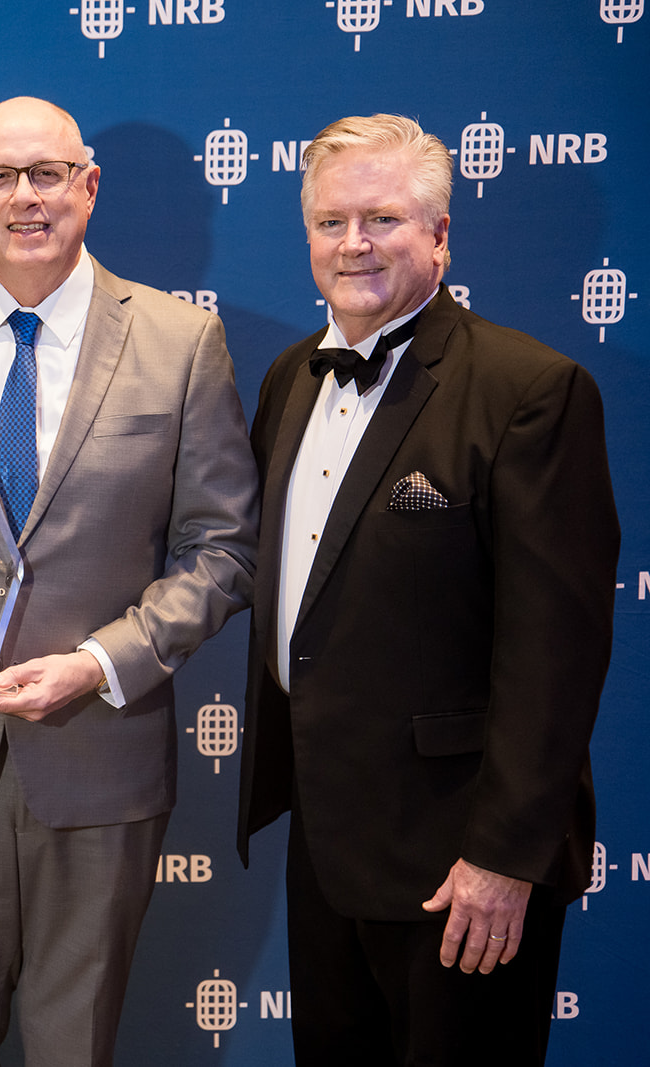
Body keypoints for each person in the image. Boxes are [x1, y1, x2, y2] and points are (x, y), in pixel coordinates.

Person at [0, 96, 258, 1066]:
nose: (24, 197)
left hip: (99, 761)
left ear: (87, 186)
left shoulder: (179, 343)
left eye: (46, 173)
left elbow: (224, 546)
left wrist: (96, 661)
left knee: (72, 1049)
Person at [236, 114, 619, 1065]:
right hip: (327, 842)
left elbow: (556, 654)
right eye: (331, 222)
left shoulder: (530, 388)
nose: (353, 243)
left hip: (461, 862)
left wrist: (503, 858)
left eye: (383, 219)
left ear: (440, 235)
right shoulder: (289, 377)